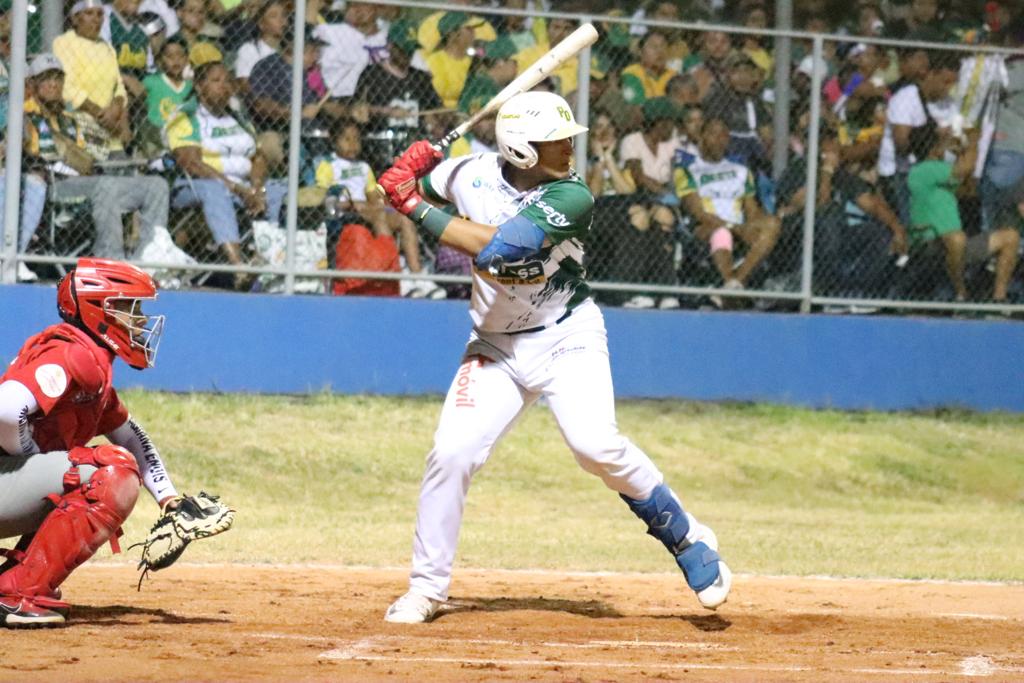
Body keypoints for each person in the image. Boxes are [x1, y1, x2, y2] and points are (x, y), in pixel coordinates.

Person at [376, 90, 732, 624]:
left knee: (595, 445)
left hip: (566, 335)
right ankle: (427, 588)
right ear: (521, 151)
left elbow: (501, 249)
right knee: (451, 453)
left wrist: (413, 204)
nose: (569, 147)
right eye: (556, 141)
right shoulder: (468, 173)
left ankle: (684, 535)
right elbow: (403, 188)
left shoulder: (572, 195)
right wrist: (408, 175)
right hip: (495, 345)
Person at [0, 259, 176, 627]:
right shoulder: (75, 353)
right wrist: (34, 459)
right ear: (102, 310)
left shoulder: (92, 363)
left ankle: (14, 585)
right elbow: (5, 410)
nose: (141, 321)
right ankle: (15, 593)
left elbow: (133, 435)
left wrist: (170, 499)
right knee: (109, 471)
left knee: (91, 466)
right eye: (132, 308)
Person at [20, 53, 179, 264]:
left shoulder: (69, 119)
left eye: (58, 78)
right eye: (46, 79)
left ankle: (151, 258)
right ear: (33, 83)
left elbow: (86, 158)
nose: (53, 84)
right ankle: (111, 261)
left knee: (156, 186)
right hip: (55, 185)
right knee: (105, 185)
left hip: (85, 183)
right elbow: (32, 157)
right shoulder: (26, 113)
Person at [166, 61, 286, 278]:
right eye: (215, 81)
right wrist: (235, 188)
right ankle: (238, 267)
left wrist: (256, 188)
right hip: (195, 185)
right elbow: (191, 163)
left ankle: (271, 257)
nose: (224, 86)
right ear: (200, 87)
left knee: (279, 189)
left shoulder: (237, 118)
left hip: (243, 186)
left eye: (227, 81)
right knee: (215, 191)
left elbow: (257, 156)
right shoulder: (187, 117)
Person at [907, 123, 1020, 304]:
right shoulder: (922, 169)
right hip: (930, 242)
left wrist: (961, 153)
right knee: (957, 238)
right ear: (934, 146)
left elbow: (968, 189)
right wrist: (973, 141)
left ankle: (999, 299)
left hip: (956, 243)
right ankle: (961, 294)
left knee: (1010, 236)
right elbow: (966, 169)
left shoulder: (940, 173)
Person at [674, 117, 781, 297]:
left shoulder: (741, 170)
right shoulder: (687, 170)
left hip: (738, 226)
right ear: (701, 137)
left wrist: (754, 227)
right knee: (721, 233)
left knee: (773, 223)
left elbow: (752, 210)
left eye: (724, 135)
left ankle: (734, 283)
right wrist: (736, 228)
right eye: (713, 134)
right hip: (705, 227)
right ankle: (730, 285)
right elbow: (698, 212)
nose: (719, 139)